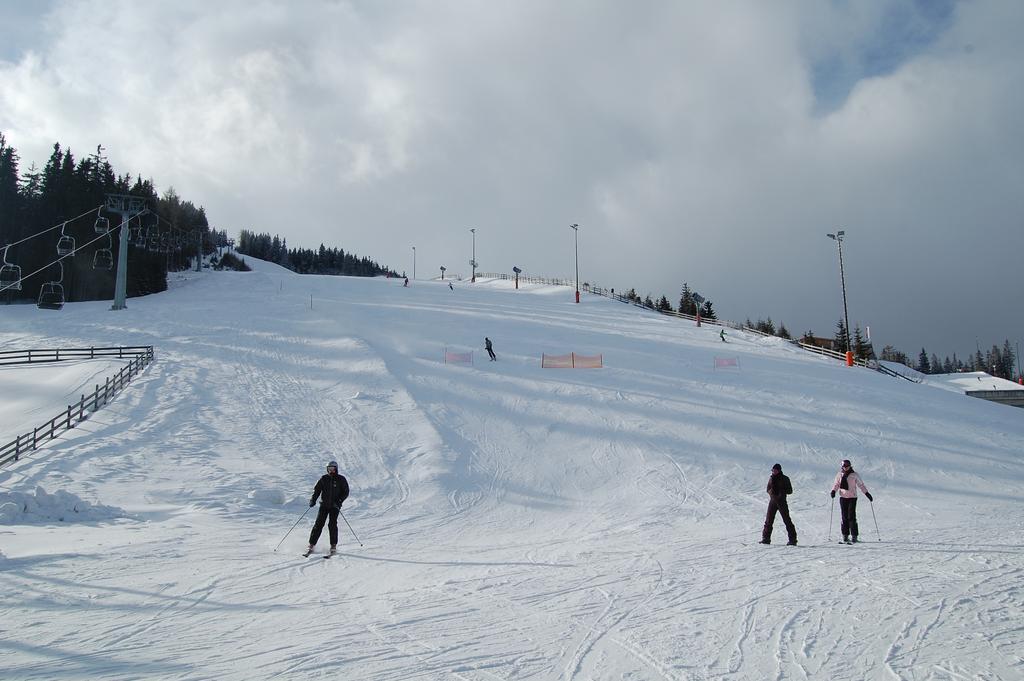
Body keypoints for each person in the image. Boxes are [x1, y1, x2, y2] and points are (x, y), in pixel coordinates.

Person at [306, 460, 349, 556]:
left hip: (335, 506)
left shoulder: (341, 479)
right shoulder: (324, 479)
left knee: (332, 524)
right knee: (318, 524)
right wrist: (313, 500)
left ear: (336, 469)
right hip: (324, 505)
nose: (331, 471)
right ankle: (311, 544)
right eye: (329, 469)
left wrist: (339, 501)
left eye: (333, 469)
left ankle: (333, 546)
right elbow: (317, 490)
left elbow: (346, 492)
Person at [830, 459, 873, 543]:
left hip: (852, 498)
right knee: (844, 517)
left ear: (850, 466)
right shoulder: (839, 474)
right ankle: (845, 536)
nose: (846, 468)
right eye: (844, 466)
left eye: (847, 466)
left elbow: (861, 485)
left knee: (851, 517)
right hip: (843, 497)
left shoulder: (854, 475)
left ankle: (854, 536)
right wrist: (833, 491)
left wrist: (867, 493)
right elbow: (836, 484)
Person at [761, 463, 797, 545]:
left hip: (782, 502)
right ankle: (766, 538)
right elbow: (768, 489)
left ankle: (793, 540)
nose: (773, 472)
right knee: (768, 520)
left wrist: (781, 491)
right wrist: (771, 492)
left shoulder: (785, 478)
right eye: (772, 470)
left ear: (779, 470)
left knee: (787, 520)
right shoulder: (771, 478)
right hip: (773, 501)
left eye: (775, 470)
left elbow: (790, 491)